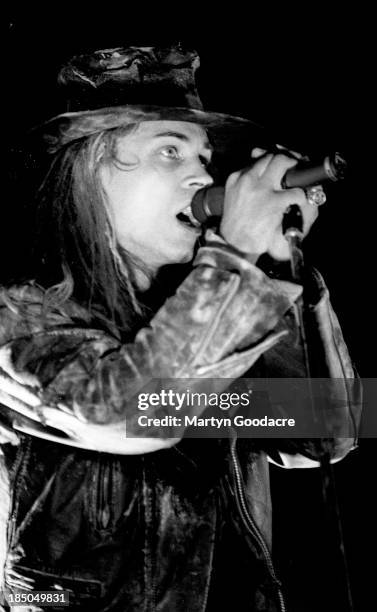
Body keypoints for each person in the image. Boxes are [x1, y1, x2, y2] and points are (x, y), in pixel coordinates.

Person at [0, 45, 360, 612]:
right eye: (170, 151)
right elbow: (133, 411)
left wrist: (271, 266)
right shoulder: (22, 318)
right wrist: (236, 257)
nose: (202, 175)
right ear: (89, 170)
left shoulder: (201, 315)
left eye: (205, 157)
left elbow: (320, 430)